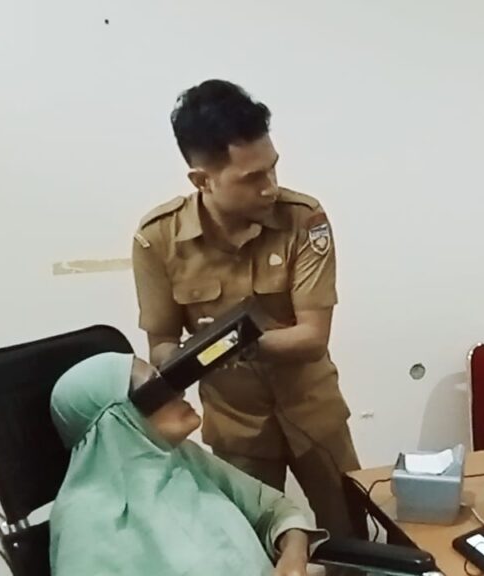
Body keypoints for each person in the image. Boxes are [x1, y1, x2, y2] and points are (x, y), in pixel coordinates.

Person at [131, 79, 360, 535]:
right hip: (237, 431)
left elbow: (312, 337)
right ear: (202, 180)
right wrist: (187, 359)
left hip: (315, 415)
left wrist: (229, 343)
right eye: (252, 178)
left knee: (353, 536)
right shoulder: (157, 238)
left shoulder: (303, 219)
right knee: (254, 547)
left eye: (272, 169)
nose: (270, 187)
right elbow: (161, 345)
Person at [48, 352, 326, 576]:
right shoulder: (85, 524)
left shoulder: (182, 456)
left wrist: (293, 559)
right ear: (116, 420)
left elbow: (274, 509)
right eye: (154, 388)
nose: (178, 393)